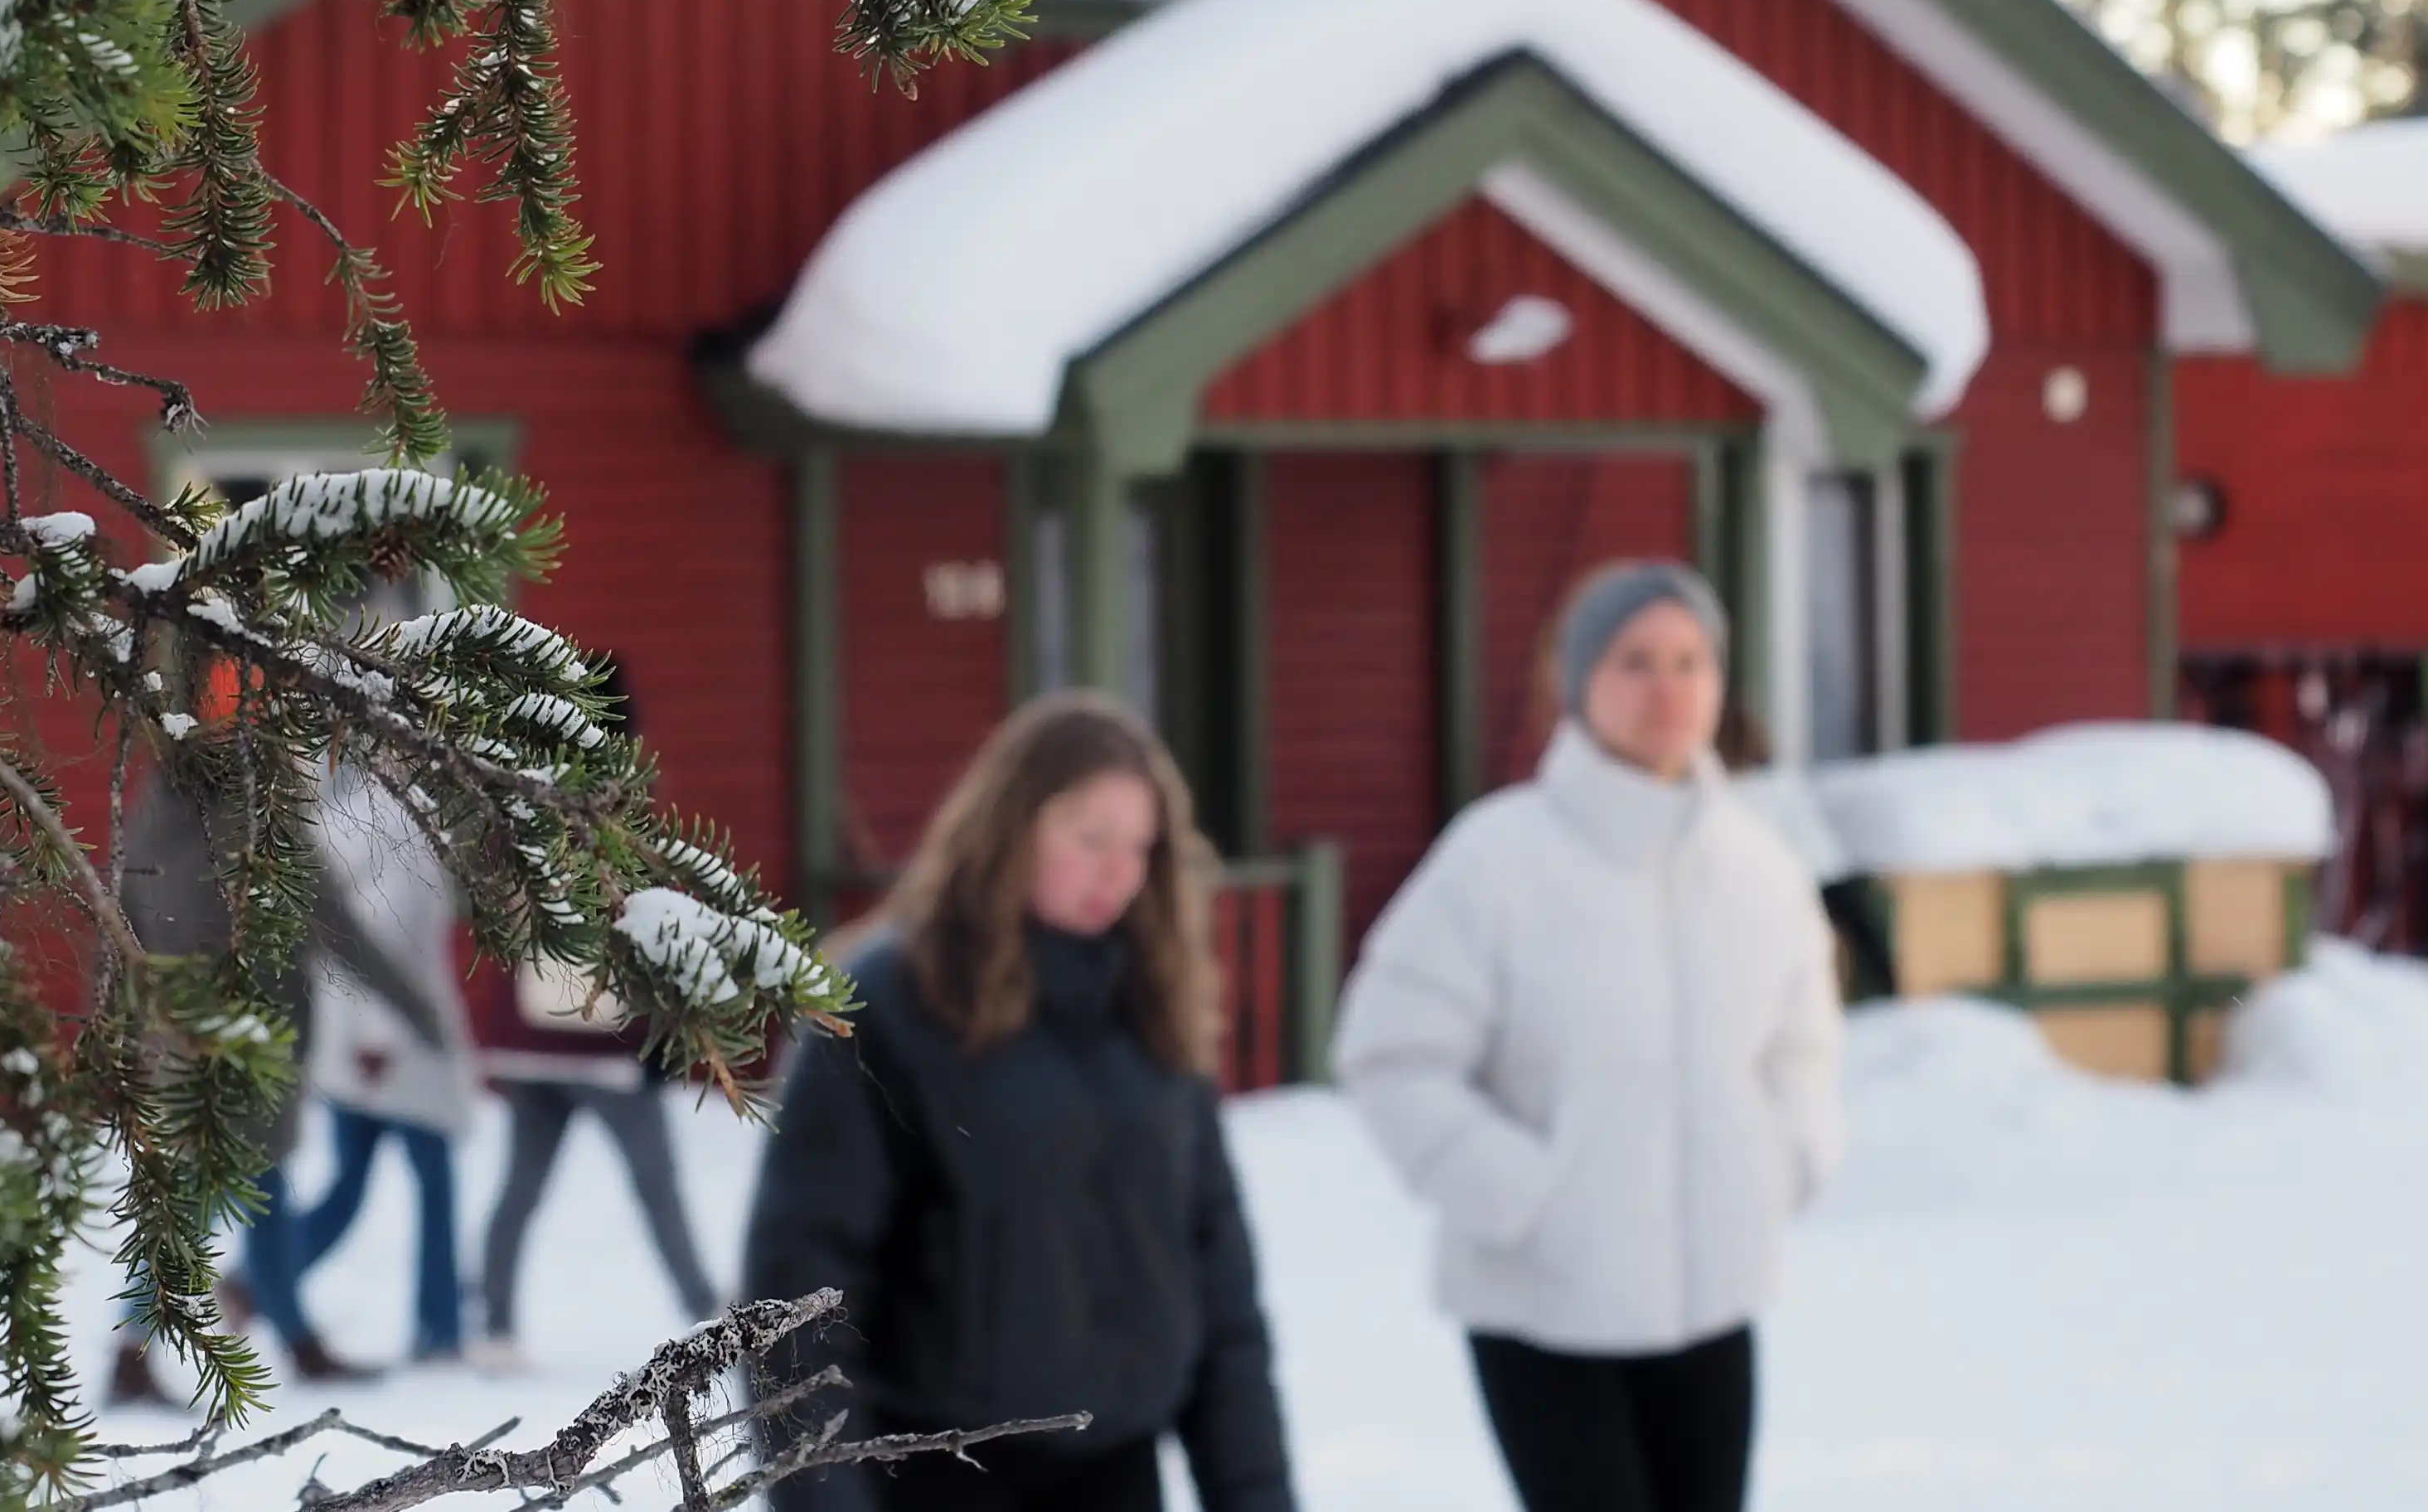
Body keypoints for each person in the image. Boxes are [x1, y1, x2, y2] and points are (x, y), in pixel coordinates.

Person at [1334, 560, 1842, 1512]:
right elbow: (1390, 1051)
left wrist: (1787, 1159)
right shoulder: (1497, 859)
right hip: (1544, 1310)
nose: (1668, 688)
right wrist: (1521, 1192)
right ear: (1576, 685)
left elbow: (1800, 1044)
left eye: (1690, 661)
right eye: (1635, 661)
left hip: (1714, 1302)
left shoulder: (1758, 866)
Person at [742, 692, 1296, 1512]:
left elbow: (1218, 1289)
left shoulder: (1153, 1009)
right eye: (1090, 837)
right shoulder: (889, 1006)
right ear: (1012, 825)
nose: (1119, 871)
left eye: (1140, 846)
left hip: (1115, 1473)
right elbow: (799, 1293)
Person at [101, 715, 458, 1399]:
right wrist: (417, 1010)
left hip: (178, 1038)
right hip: (254, 1041)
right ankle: (135, 1351)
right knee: (211, 1198)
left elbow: (122, 936)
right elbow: (337, 926)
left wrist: (123, 1039)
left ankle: (294, 1340)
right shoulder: (259, 827)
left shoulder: (147, 825)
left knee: (255, 1194)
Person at [467, 657, 721, 1366]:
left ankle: (493, 1324)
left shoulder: (512, 805)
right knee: (656, 1185)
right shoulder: (616, 812)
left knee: (519, 1188)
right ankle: (707, 1310)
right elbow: (649, 928)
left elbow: (494, 913)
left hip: (526, 1035)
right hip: (606, 1042)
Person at [282, 752, 483, 1361]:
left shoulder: (339, 814)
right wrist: (382, 1035)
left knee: (349, 1181)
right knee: (432, 1181)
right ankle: (439, 1326)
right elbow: (385, 935)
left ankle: (265, 1279)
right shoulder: (395, 820)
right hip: (396, 1044)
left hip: (351, 1035)